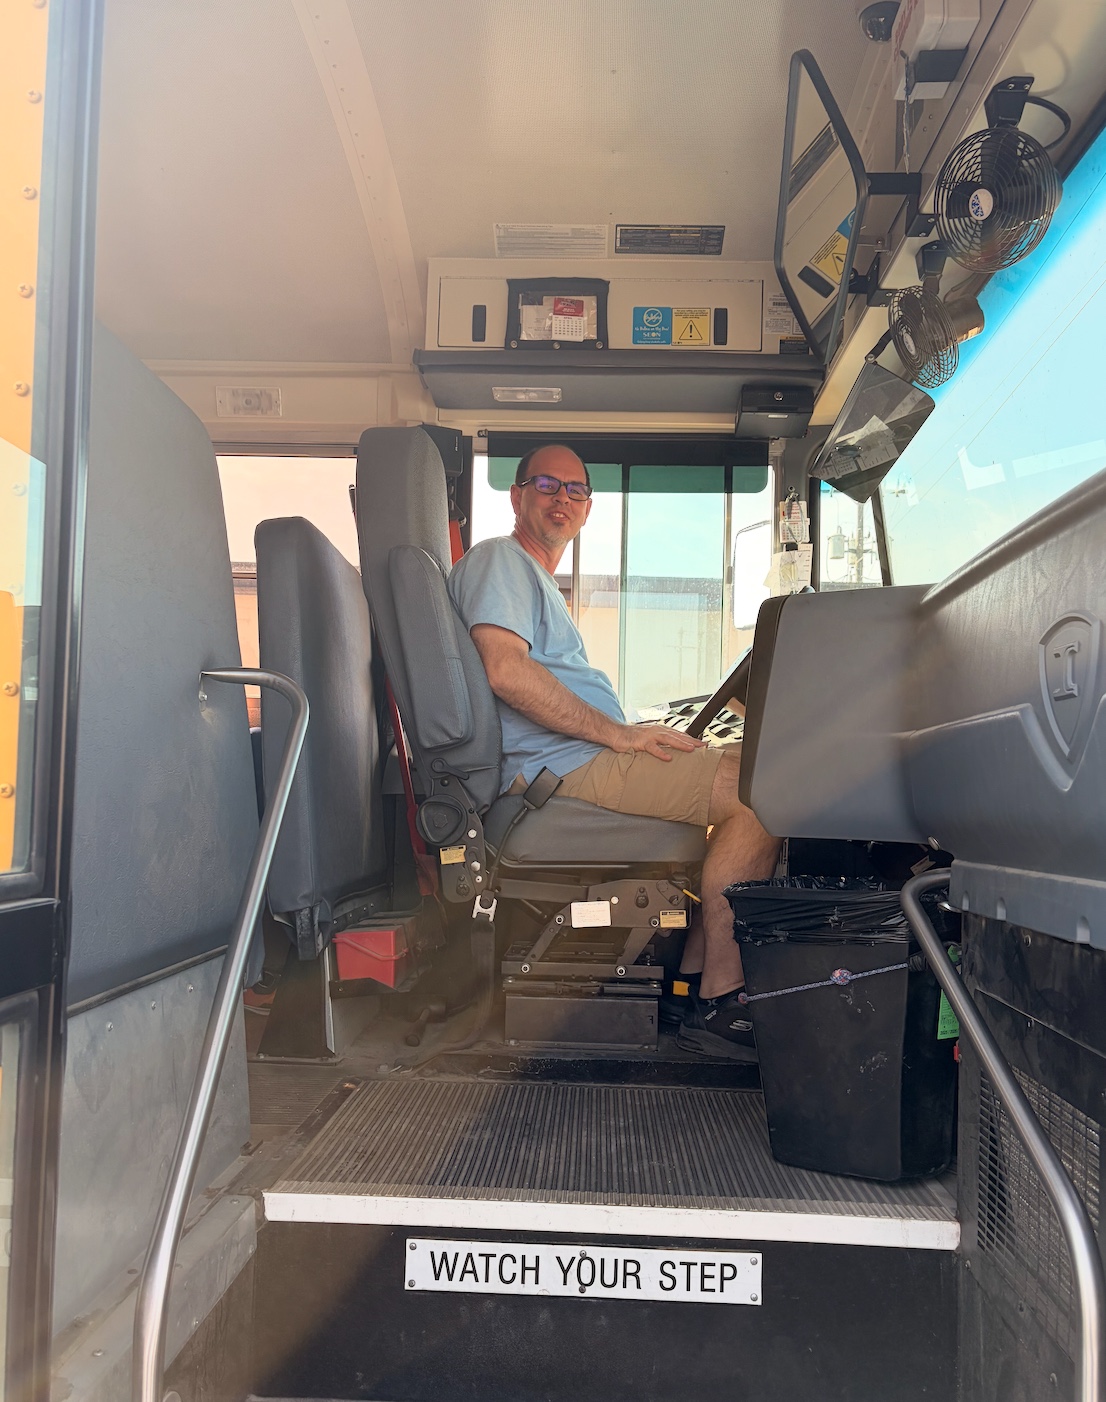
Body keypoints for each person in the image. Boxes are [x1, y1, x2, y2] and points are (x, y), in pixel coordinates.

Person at [448, 443, 780, 1057]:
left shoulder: (533, 578)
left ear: (588, 508)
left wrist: (630, 729)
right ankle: (721, 1000)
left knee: (744, 775)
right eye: (546, 485)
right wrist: (621, 734)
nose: (562, 498)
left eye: (575, 490)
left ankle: (687, 983)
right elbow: (506, 672)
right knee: (761, 793)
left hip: (571, 757)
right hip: (559, 769)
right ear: (517, 495)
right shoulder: (501, 561)